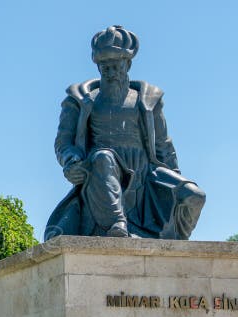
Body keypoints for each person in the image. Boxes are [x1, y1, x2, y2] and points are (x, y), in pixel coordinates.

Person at [45, 25, 205, 240]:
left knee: (194, 196)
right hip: (102, 170)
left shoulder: (148, 100)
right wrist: (71, 161)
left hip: (145, 171)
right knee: (103, 156)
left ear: (128, 64)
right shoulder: (80, 100)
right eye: (105, 66)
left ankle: (175, 245)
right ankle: (117, 225)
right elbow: (64, 143)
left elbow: (164, 145)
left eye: (116, 65)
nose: (110, 72)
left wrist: (175, 176)